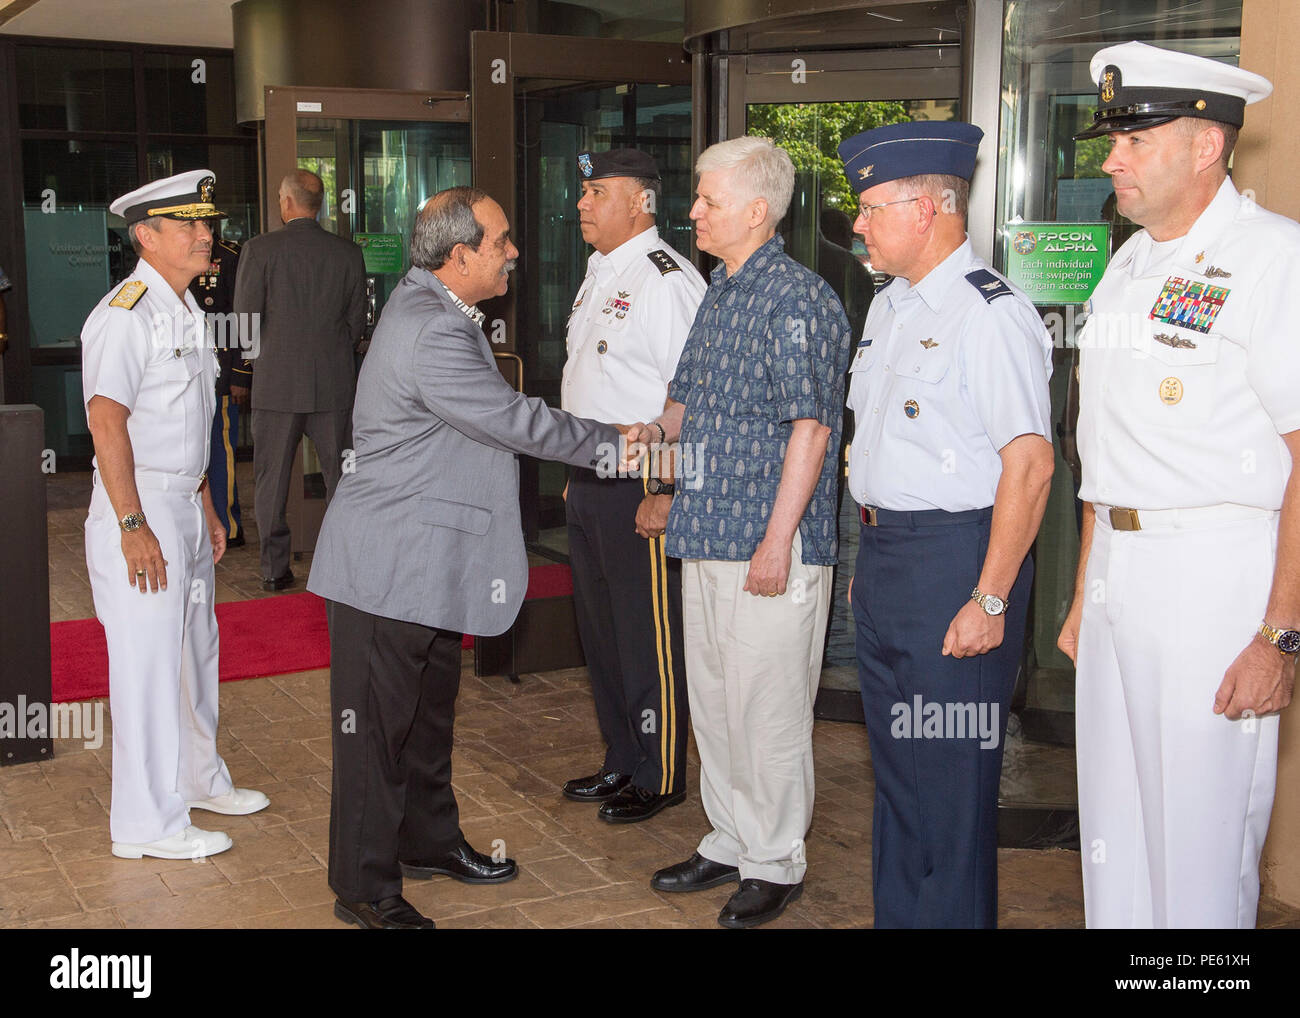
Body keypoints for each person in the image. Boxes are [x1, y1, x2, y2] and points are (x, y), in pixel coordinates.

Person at [306, 186, 622, 930]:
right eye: (503, 240)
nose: (514, 251)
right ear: (460, 256)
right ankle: (364, 887)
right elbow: (512, 419)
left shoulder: (432, 308)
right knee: (375, 735)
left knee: (423, 721)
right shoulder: (432, 327)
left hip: (429, 563)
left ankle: (427, 840)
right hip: (388, 569)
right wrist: (616, 443)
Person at [1058, 41, 1296, 929]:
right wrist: (1086, 593)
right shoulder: (1127, 266)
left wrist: (1279, 634)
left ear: (1207, 146)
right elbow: (1105, 456)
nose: (1110, 156)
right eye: (1111, 138)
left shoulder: (1273, 260)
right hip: (1121, 566)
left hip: (1216, 574)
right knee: (1116, 830)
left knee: (1199, 846)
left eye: (1135, 136)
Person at [626, 137, 851, 929]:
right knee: (716, 701)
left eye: (706, 201)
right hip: (707, 532)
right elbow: (685, 405)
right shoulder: (721, 291)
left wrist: (776, 539)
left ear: (757, 211)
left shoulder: (801, 301)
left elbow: (812, 431)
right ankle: (727, 838)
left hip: (767, 546)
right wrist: (646, 439)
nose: (692, 213)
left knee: (770, 709)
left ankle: (775, 858)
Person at [837, 121, 1055, 928]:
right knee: (898, 781)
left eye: (869, 208)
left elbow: (1030, 468)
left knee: (952, 793)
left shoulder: (990, 315)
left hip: (960, 563)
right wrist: (876, 553)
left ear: (928, 207)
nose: (857, 224)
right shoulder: (890, 307)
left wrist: (990, 598)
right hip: (892, 557)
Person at [82, 170, 269, 861]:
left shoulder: (185, 310)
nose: (205, 234)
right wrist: (134, 526)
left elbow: (187, 421)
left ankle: (197, 778)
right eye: (188, 224)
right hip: (140, 507)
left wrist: (205, 509)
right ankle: (145, 823)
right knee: (148, 665)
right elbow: (107, 423)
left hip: (181, 502)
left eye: (206, 221)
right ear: (146, 235)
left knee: (195, 653)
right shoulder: (124, 313)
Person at [559, 148, 706, 823]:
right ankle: (621, 755)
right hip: (593, 475)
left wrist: (669, 491)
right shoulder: (600, 273)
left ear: (641, 202)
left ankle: (661, 769)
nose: (583, 203)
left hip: (642, 480)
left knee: (647, 633)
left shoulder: (665, 279)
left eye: (596, 191)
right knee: (603, 630)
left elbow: (693, 395)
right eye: (583, 191)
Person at [232, 169, 366, 591]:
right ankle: (343, 565)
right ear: (320, 204)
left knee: (271, 480)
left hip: (276, 386)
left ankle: (275, 570)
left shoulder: (259, 250)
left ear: (286, 203)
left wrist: (264, 363)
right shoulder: (347, 253)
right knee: (342, 478)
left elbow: (244, 325)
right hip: (334, 383)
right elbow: (357, 324)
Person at [190, 234, 251, 547]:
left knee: (220, 450)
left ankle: (228, 526)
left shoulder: (230, 256)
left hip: (222, 371)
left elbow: (245, 316)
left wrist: (241, 372)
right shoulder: (178, 255)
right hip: (188, 372)